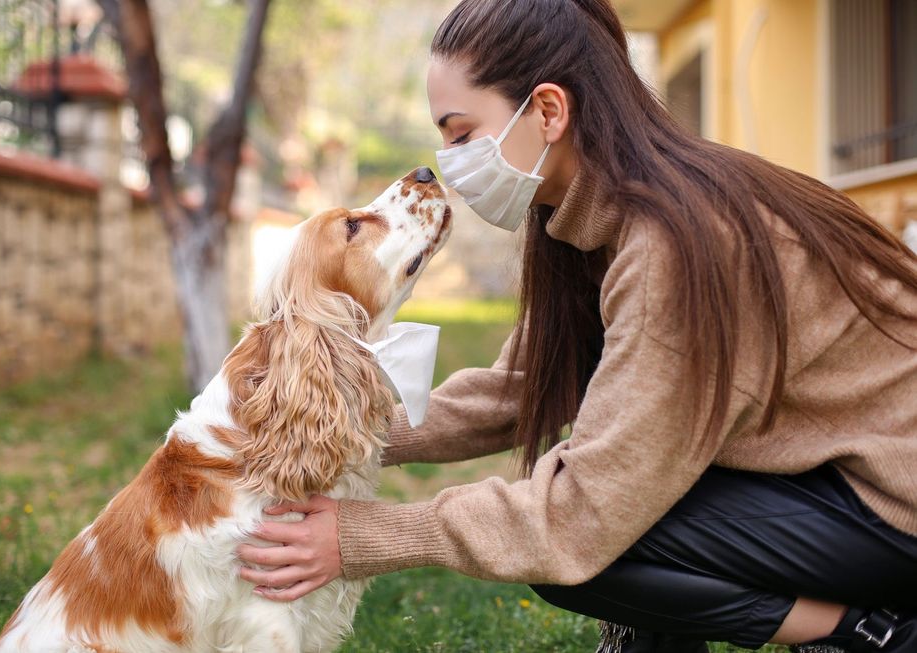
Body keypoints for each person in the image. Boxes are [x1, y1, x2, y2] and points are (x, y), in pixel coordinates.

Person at [235, 1, 917, 651]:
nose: (448, 162)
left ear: (549, 110)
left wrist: (371, 534)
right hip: (831, 480)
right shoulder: (594, 220)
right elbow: (521, 387)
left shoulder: (674, 247)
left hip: (894, 503)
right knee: (608, 502)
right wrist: (326, 426)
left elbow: (583, 512)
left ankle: (869, 630)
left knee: (591, 536)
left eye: (461, 133)